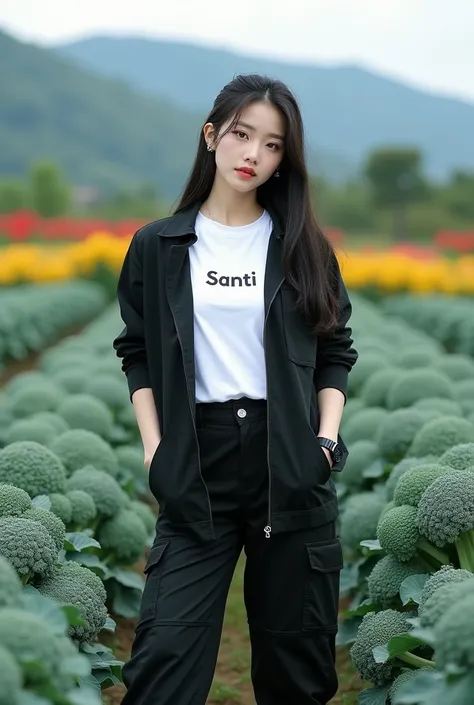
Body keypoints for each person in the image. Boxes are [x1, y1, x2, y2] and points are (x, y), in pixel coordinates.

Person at [113, 73, 358, 705]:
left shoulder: (303, 247)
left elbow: (335, 351)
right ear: (211, 135)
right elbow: (136, 351)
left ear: (285, 159)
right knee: (162, 660)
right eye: (243, 135)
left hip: (290, 460)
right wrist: (155, 450)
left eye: (273, 145)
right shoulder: (157, 246)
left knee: (297, 674)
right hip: (198, 459)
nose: (254, 155)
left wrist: (324, 443)